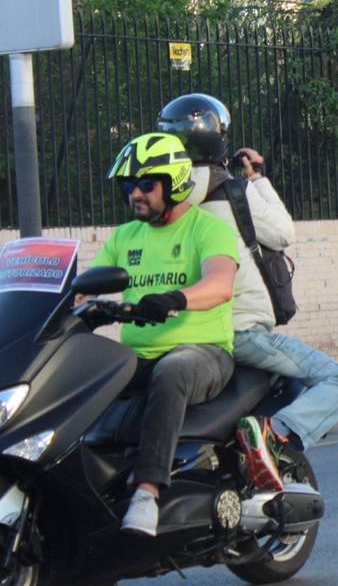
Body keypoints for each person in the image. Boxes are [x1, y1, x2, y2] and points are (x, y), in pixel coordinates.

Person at [158, 93, 338, 487]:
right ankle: (276, 433)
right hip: (242, 329)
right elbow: (284, 232)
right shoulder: (232, 190)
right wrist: (256, 177)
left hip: (187, 334)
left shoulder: (164, 201)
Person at [91, 133, 240, 536]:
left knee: (172, 370)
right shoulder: (124, 238)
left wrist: (174, 298)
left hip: (203, 353)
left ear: (173, 184)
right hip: (137, 357)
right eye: (127, 185)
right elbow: (83, 288)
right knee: (84, 371)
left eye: (145, 185)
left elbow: (220, 285)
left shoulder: (208, 230)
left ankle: (146, 492)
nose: (134, 194)